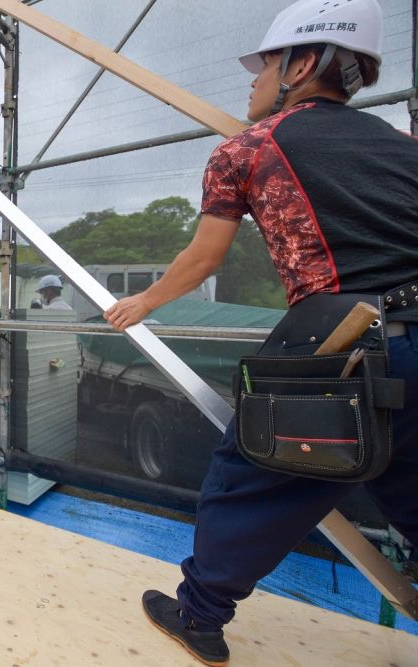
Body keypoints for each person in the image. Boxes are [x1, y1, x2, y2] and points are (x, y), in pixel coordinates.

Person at [103, 0, 418, 664]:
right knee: (408, 484)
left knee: (246, 475)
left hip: (347, 336)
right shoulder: (400, 145)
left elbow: (203, 258)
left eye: (264, 66)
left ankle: (200, 617)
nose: (250, 81)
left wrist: (143, 302)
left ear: (302, 65)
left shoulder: (248, 149)